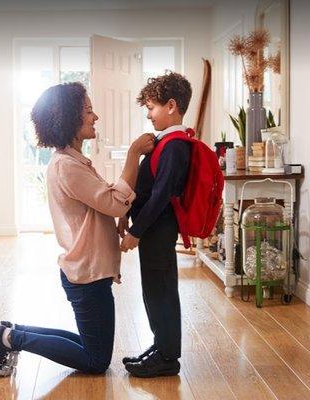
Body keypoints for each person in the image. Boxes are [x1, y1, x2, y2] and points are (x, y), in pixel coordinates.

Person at [0, 82, 155, 377]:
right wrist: (133, 155)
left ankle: (10, 331)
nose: (96, 117)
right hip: (87, 274)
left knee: (91, 345)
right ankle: (13, 339)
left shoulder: (73, 161)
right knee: (96, 360)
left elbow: (102, 204)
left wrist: (117, 215)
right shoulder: (67, 166)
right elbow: (115, 203)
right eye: (88, 111)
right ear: (69, 119)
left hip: (86, 271)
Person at [119, 71, 193, 378]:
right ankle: (160, 346)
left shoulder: (175, 145)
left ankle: (167, 357)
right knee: (153, 289)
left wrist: (136, 231)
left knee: (161, 290)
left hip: (158, 229)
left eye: (152, 107)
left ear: (171, 106)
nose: (149, 115)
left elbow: (162, 194)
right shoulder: (165, 142)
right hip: (154, 229)